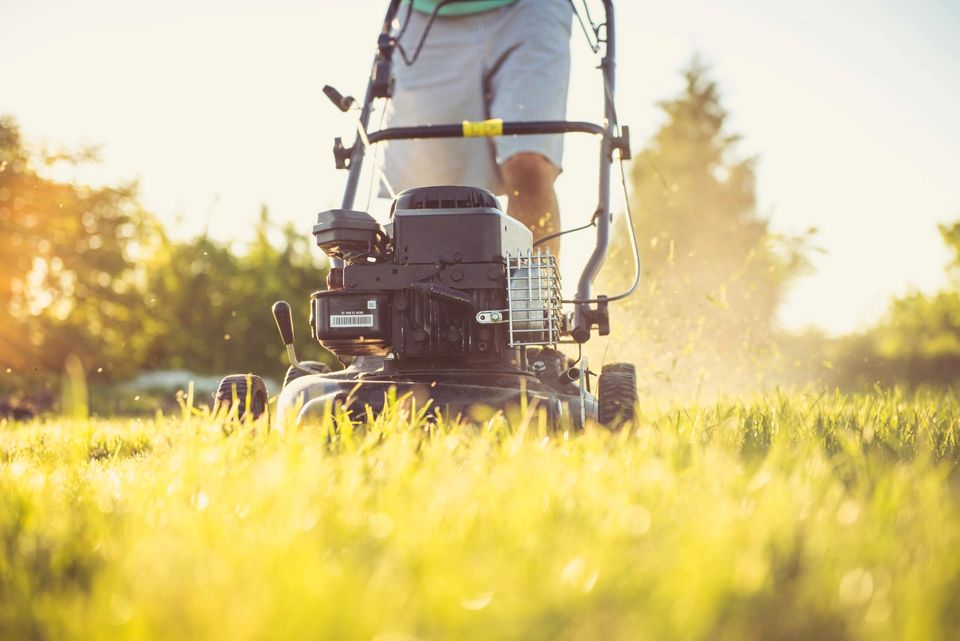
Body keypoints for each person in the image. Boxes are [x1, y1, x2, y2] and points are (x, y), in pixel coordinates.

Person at [382, 0, 574, 258]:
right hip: (428, 16)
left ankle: (531, 295)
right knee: (428, 195)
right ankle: (433, 295)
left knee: (530, 164)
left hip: (530, 10)